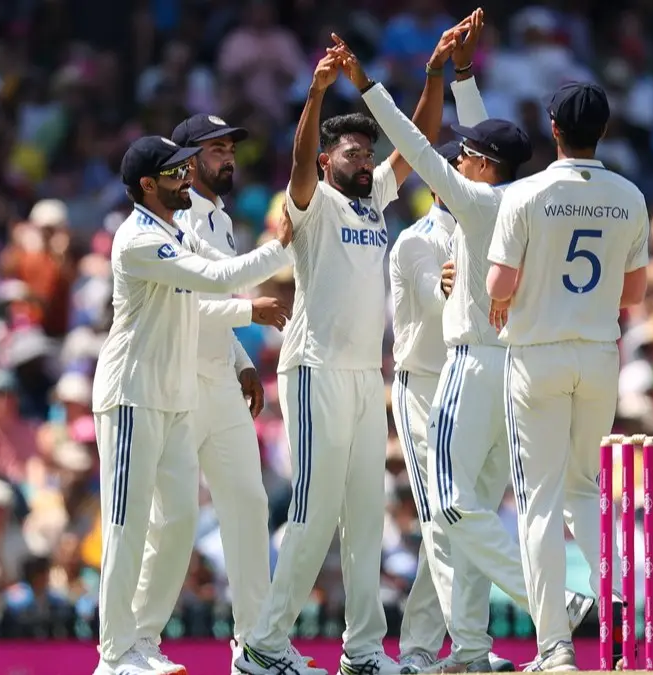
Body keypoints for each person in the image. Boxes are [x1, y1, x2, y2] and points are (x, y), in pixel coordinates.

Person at [334, 19, 596, 667]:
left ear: (478, 166)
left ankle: (546, 608)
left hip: (467, 368)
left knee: (453, 511)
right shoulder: (531, 199)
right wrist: (462, 77)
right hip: (519, 371)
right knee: (472, 511)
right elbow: (489, 146)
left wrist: (365, 83)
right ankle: (472, 645)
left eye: (465, 155)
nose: (452, 158)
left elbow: (412, 143)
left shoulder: (476, 205)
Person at [236, 23, 470, 675]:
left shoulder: (375, 204)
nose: (364, 161)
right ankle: (264, 643)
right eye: (352, 153)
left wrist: (432, 78)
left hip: (369, 377)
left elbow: (417, 144)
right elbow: (299, 160)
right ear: (326, 161)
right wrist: (314, 98)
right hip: (314, 371)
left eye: (367, 152)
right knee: (312, 510)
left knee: (366, 516)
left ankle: (364, 650)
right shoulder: (311, 204)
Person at [92, 135, 293, 675]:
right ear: (148, 185)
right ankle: (115, 656)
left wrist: (238, 354)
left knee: (178, 522)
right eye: (176, 171)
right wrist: (284, 245)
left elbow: (216, 288)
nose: (188, 178)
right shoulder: (137, 239)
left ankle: (143, 643)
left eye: (187, 168)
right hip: (132, 394)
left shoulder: (176, 230)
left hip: (175, 397)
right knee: (126, 524)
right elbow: (221, 280)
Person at [485, 82, 649, 670]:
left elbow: (498, 289)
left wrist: (517, 289)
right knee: (586, 491)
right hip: (599, 353)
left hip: (536, 353)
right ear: (602, 130)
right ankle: (623, 607)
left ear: (553, 127)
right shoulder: (629, 196)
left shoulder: (526, 194)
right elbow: (633, 294)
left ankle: (554, 646)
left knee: (538, 502)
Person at [388, 139, 512, 673]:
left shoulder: (492, 219)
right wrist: (447, 284)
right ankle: (460, 650)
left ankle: (438, 647)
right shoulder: (417, 240)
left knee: (468, 516)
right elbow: (432, 290)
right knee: (445, 519)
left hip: (476, 385)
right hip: (424, 386)